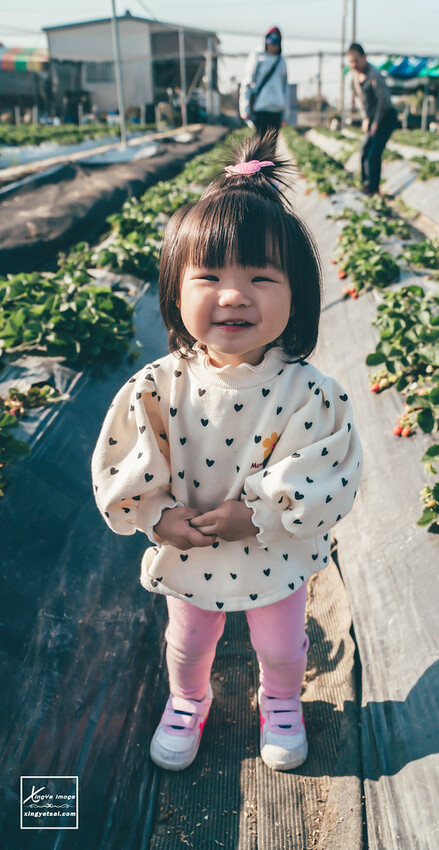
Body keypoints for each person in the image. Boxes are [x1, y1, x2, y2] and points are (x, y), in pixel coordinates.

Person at [91, 131, 363, 774]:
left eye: (261, 278)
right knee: (188, 641)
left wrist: (262, 513)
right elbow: (125, 462)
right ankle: (188, 700)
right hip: (192, 550)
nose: (234, 295)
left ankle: (281, 699)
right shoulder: (157, 387)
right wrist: (158, 516)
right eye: (208, 276)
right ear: (175, 291)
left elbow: (329, 471)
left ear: (297, 294)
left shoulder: (308, 393)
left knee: (280, 643)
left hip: (274, 550)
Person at [347, 42, 398, 196]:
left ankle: (374, 189)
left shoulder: (374, 75)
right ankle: (366, 186)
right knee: (364, 152)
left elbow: (383, 101)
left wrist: (375, 122)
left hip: (386, 117)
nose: (353, 64)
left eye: (356, 60)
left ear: (364, 57)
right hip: (372, 119)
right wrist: (366, 119)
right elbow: (362, 102)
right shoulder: (356, 77)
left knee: (374, 153)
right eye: (350, 61)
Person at [240, 26, 288, 138]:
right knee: (260, 147)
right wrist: (245, 108)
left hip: (276, 110)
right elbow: (247, 83)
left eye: (276, 42)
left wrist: (286, 114)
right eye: (270, 41)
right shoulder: (258, 57)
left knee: (271, 147)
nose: (273, 45)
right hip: (261, 108)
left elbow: (285, 88)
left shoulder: (281, 61)